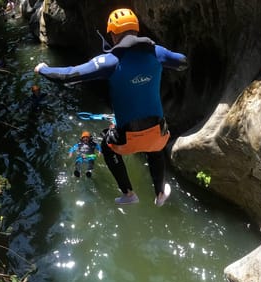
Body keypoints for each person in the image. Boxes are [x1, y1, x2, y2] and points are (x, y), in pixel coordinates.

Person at [34, 8, 188, 206]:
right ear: (136, 30)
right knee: (155, 147)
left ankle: (129, 193)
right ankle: (159, 194)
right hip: (158, 135)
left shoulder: (109, 61)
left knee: (107, 145)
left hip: (126, 141)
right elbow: (183, 62)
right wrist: (159, 56)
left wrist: (43, 69)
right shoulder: (156, 53)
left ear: (114, 36)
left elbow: (68, 76)